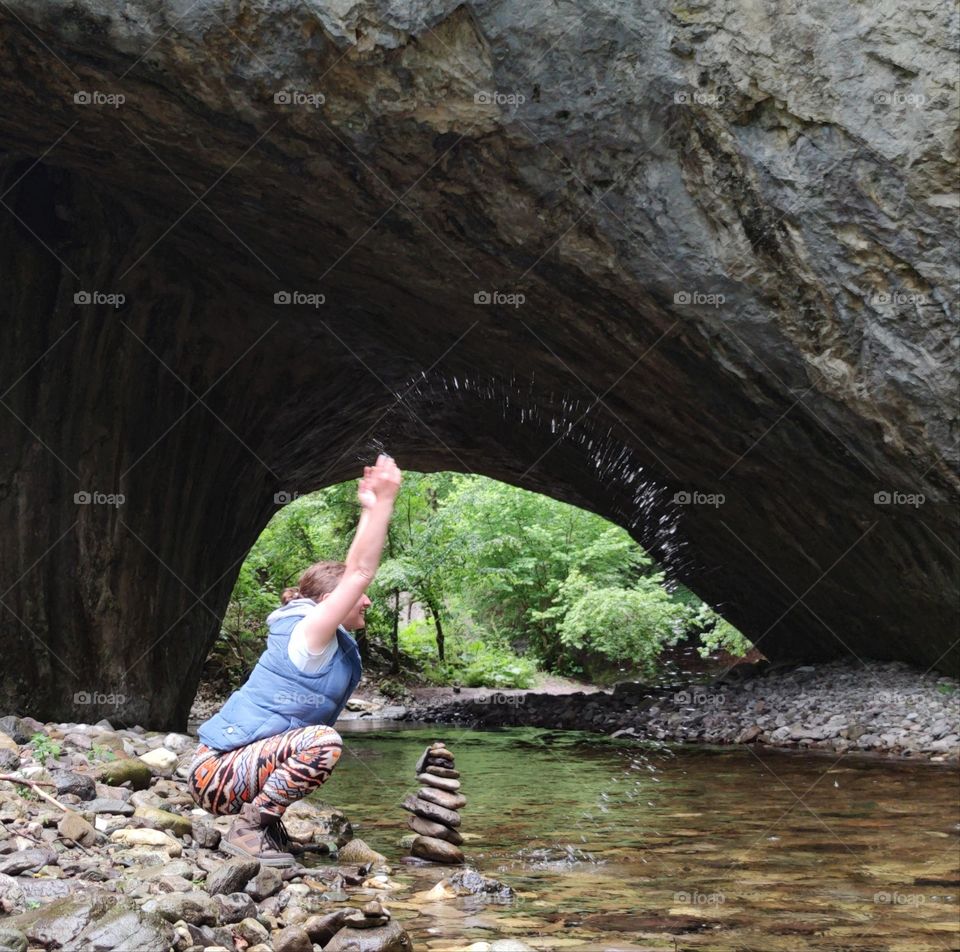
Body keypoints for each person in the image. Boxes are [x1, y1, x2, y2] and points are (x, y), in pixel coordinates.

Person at [187, 454, 402, 866]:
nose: (368, 600)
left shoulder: (323, 637)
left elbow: (353, 572)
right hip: (214, 774)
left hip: (234, 769)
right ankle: (249, 828)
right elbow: (358, 571)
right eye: (358, 597)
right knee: (323, 742)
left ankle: (267, 827)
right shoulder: (308, 634)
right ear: (327, 603)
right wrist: (385, 503)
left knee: (315, 741)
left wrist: (368, 510)